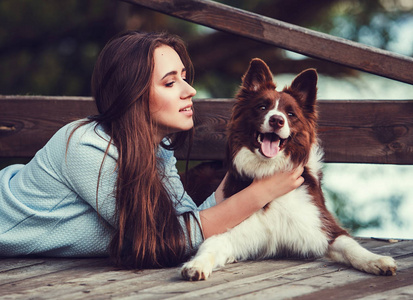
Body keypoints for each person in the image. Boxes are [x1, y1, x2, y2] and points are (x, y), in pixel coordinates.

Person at [0, 31, 304, 269]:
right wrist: (261, 193)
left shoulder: (157, 149)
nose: (190, 91)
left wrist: (240, 174)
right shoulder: (84, 145)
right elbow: (162, 240)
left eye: (184, 77)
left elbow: (191, 221)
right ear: (132, 94)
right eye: (170, 83)